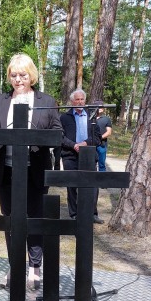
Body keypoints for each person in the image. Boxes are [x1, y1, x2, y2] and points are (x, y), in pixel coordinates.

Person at [0, 53, 62, 290]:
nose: (18, 79)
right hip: (6, 172)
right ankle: (15, 267)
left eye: (23, 75)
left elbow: (56, 132)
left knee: (33, 219)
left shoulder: (46, 101)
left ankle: (34, 267)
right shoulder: (0, 101)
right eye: (14, 75)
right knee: (11, 222)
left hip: (35, 171)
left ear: (31, 75)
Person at [60, 89, 104, 224]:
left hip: (89, 155)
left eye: (82, 99)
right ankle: (74, 213)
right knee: (72, 185)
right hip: (70, 155)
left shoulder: (91, 117)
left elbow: (98, 138)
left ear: (85, 101)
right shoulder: (64, 117)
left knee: (93, 185)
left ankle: (92, 213)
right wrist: (74, 145)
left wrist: (85, 143)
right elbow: (60, 137)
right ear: (72, 102)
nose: (79, 102)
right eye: (77, 99)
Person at [94, 100, 112, 172]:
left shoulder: (106, 119)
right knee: (91, 164)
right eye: (99, 106)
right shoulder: (90, 118)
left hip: (102, 145)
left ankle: (101, 181)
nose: (101, 108)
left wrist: (99, 138)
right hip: (91, 144)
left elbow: (109, 132)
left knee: (101, 164)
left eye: (102, 106)